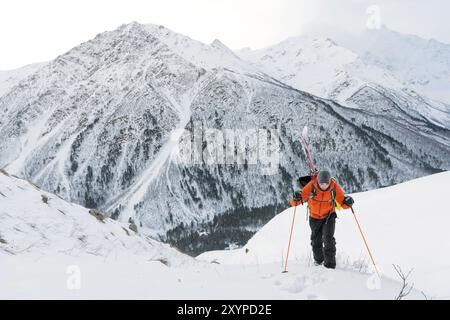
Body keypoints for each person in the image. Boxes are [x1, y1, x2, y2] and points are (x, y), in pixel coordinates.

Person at [290, 170, 354, 269]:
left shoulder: (334, 187)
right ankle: (318, 262)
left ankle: (330, 266)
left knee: (328, 239)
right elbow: (298, 200)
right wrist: (296, 198)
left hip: (329, 216)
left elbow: (342, 202)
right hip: (314, 217)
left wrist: (348, 202)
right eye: (321, 184)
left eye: (326, 184)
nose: (324, 186)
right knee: (316, 241)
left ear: (329, 182)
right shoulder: (311, 186)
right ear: (318, 182)